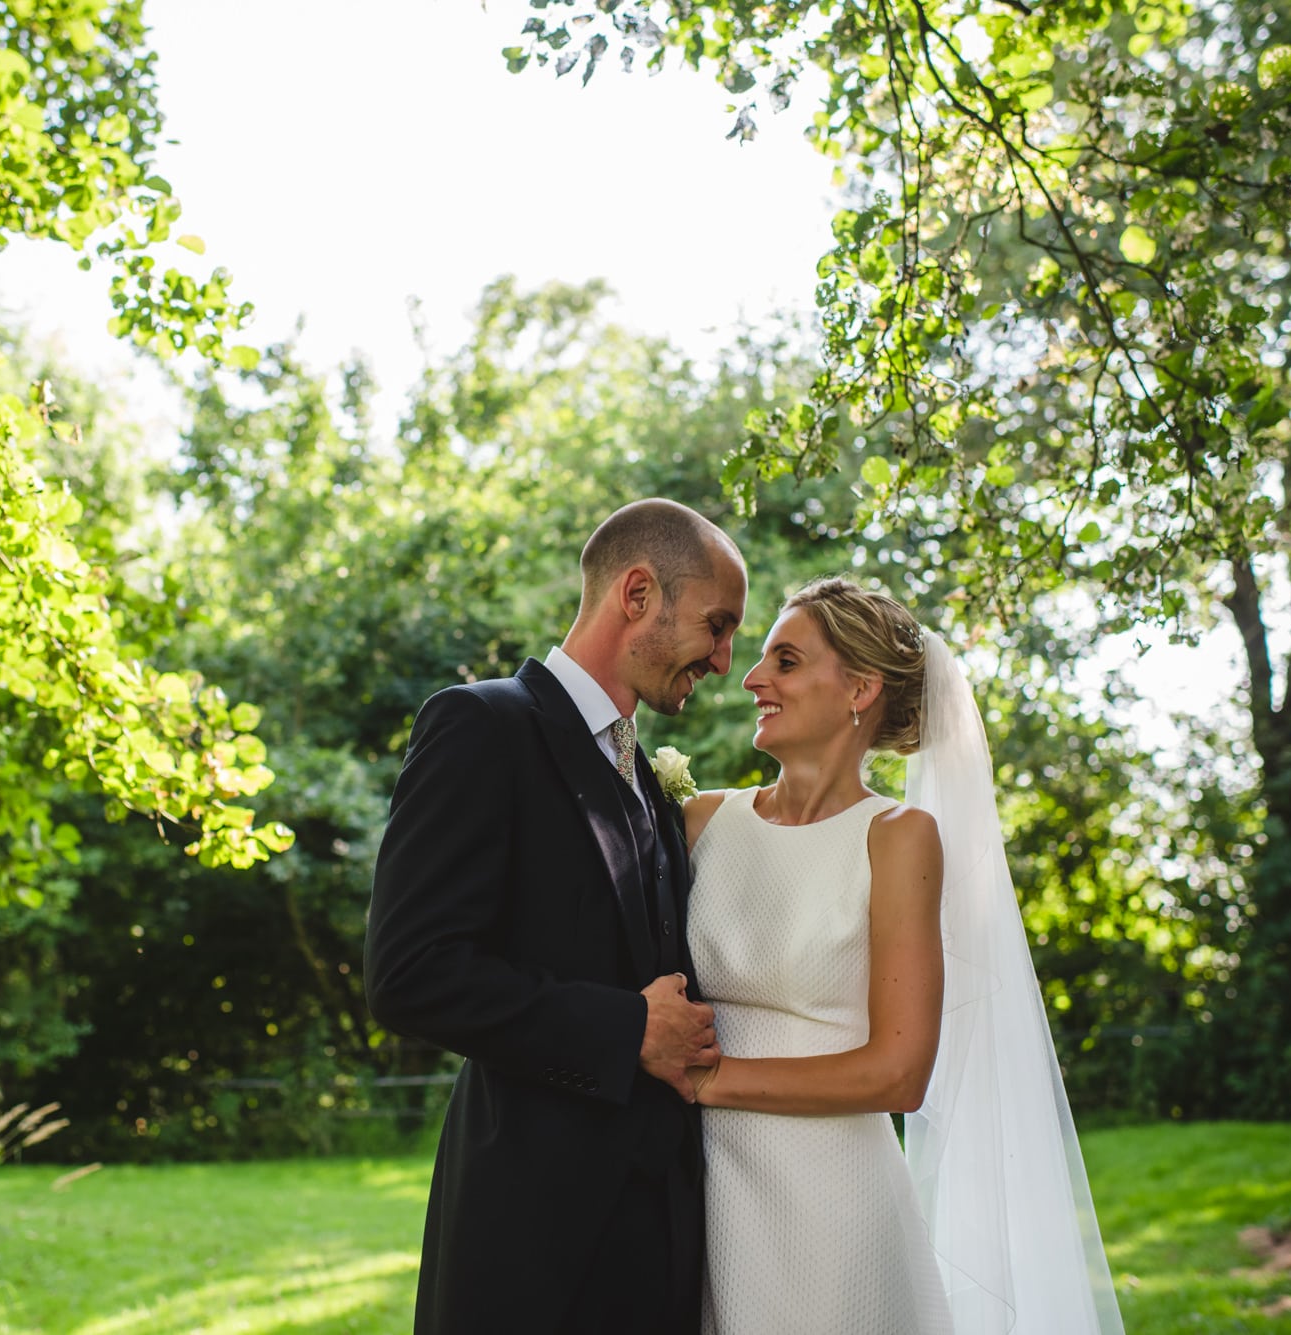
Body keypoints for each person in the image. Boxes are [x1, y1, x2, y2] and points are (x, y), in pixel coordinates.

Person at [682, 577, 1126, 1334]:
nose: (751, 678)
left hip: (830, 1205)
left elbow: (899, 1071)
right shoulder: (701, 820)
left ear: (859, 687)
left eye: (784, 661)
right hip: (700, 1190)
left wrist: (710, 1081)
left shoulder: (898, 837)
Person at [364, 498, 748, 1335]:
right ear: (638, 594)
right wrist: (626, 1030)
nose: (724, 661)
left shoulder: (649, 777)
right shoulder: (481, 726)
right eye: (716, 627)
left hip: (662, 1251)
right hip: (529, 1250)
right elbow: (410, 973)